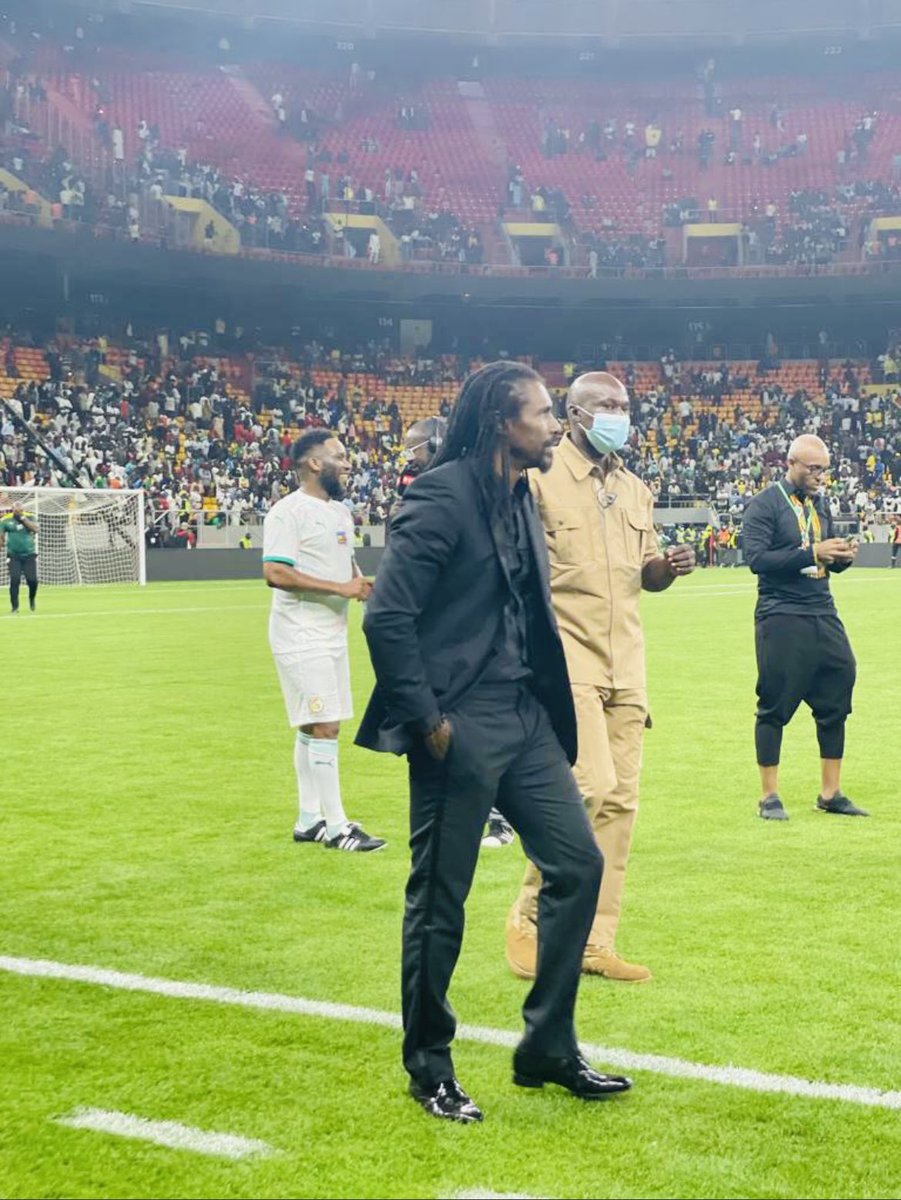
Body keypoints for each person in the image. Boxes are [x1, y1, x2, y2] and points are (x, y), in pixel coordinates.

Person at [357, 361, 632, 1124]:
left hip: (525, 719)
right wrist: (428, 723)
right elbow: (387, 619)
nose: (553, 425)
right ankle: (429, 1067)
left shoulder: (522, 495)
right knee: (441, 899)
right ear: (499, 424)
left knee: (576, 863)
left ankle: (547, 1045)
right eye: (543, 414)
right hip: (457, 725)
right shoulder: (438, 498)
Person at [506, 372, 695, 986]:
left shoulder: (635, 489)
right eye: (607, 406)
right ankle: (530, 918)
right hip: (568, 660)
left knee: (621, 803)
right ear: (574, 414)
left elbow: (646, 577)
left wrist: (665, 568)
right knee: (586, 786)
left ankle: (595, 940)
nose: (619, 414)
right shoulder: (537, 481)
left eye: (625, 405)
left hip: (627, 662)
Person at [262, 430, 386, 852]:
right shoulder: (288, 512)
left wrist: (361, 586)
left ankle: (309, 819)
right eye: (340, 456)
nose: (348, 463)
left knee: (311, 725)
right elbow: (276, 573)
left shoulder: (339, 513)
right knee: (326, 724)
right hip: (300, 633)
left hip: (329, 633)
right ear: (314, 463)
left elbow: (345, 568)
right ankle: (338, 828)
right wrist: (340, 588)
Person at [396, 417, 515, 851]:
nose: (409, 458)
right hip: (441, 650)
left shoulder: (473, 494)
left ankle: (501, 820)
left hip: (479, 649)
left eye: (415, 448)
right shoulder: (425, 493)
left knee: (485, 740)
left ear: (438, 443)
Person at [741, 434, 867, 820]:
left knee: (838, 689)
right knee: (776, 701)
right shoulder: (764, 504)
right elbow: (757, 558)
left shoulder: (819, 504)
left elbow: (822, 561)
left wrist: (841, 556)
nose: (820, 476)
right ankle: (769, 796)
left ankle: (831, 793)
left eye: (824, 470)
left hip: (821, 609)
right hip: (781, 613)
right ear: (791, 463)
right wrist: (813, 551)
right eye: (813, 469)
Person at [0, 497, 39, 614]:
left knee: (32, 580)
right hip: (13, 555)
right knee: (15, 580)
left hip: (29, 554)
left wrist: (22, 519)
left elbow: (36, 529)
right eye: (16, 511)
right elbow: (1, 535)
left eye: (20, 511)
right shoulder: (5, 520)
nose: (17, 513)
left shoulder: (30, 516)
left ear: (23, 510)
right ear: (12, 510)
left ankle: (32, 598)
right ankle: (15, 607)